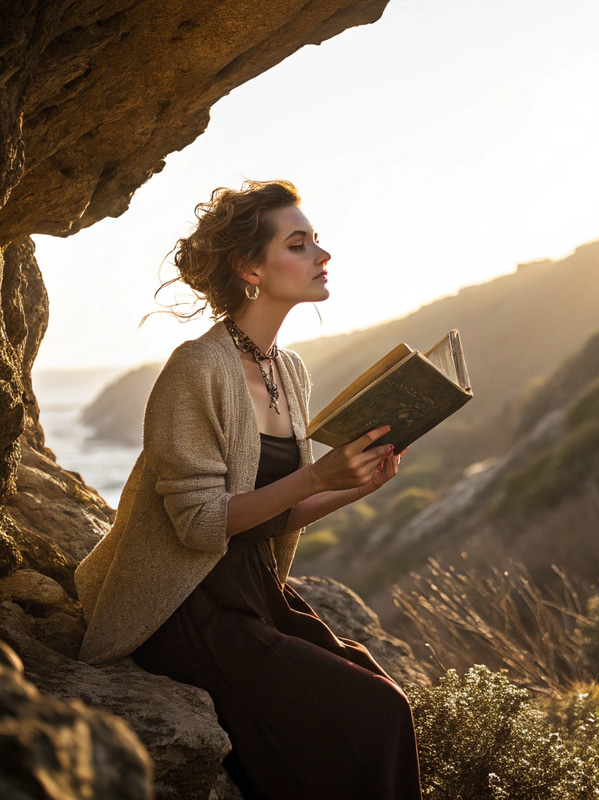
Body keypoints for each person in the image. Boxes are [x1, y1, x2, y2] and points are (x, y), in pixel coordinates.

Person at [74, 179, 423, 799]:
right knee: (375, 715)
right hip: (184, 605)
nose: (323, 255)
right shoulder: (197, 368)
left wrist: (355, 485)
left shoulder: (289, 371)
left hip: (251, 588)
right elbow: (199, 525)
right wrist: (317, 475)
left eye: (316, 240)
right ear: (249, 268)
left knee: (377, 691)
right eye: (300, 244)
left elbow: (275, 513)